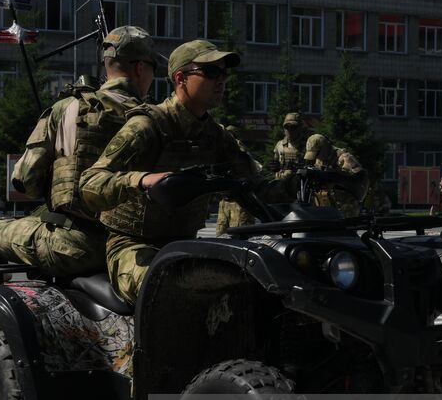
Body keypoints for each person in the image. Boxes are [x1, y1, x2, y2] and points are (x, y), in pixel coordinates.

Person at [81, 39, 290, 304]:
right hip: (132, 247)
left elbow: (257, 187)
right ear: (181, 78)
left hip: (186, 245)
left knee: (252, 288)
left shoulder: (216, 135)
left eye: (224, 73)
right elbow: (91, 183)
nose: (221, 80)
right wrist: (142, 179)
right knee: (171, 291)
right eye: (211, 72)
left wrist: (300, 184)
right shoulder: (148, 126)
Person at [0, 26, 163, 276]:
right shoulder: (157, 119)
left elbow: (26, 182)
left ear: (107, 65)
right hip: (134, 251)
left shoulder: (68, 108)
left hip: (75, 246)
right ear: (140, 68)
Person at [274, 112, 338, 207]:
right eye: (287, 127)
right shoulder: (279, 145)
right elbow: (277, 165)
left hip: (306, 191)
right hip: (284, 189)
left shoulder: (310, 144)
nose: (290, 130)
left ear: (300, 128)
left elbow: (319, 164)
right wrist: (275, 168)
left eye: (293, 127)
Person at [215, 126, 258, 235]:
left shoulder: (239, 149)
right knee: (220, 238)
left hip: (240, 202)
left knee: (239, 237)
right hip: (225, 200)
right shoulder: (221, 148)